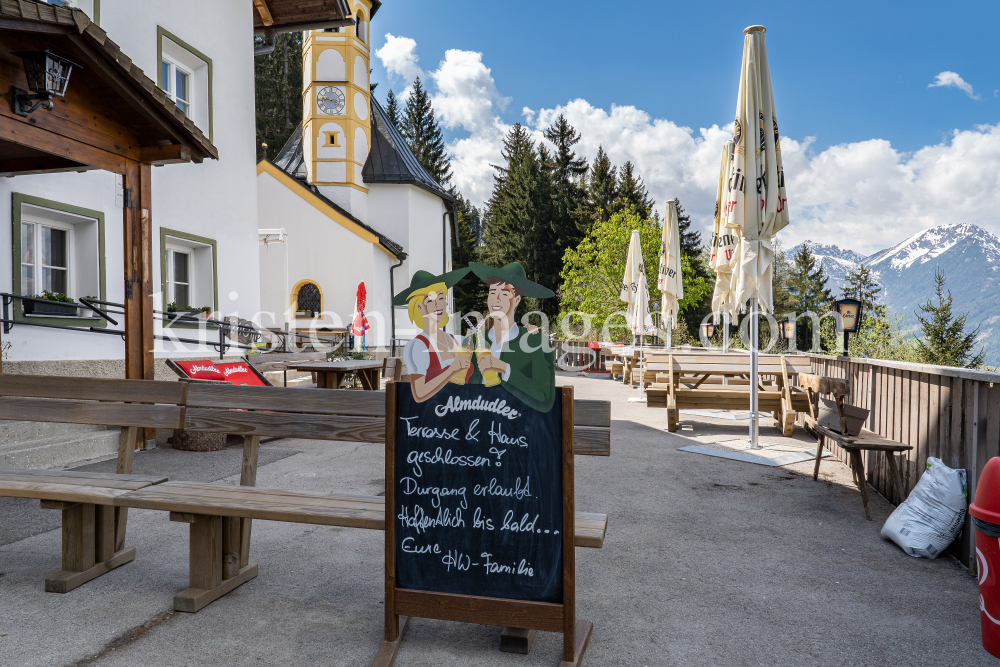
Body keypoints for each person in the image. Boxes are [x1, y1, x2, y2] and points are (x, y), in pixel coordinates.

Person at [465, 262, 556, 413]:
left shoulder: (536, 343)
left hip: (515, 433)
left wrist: (504, 368)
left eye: (505, 293)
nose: (496, 298)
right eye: (493, 292)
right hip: (474, 429)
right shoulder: (471, 342)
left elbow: (545, 400)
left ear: (517, 300)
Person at [394, 269, 471, 403]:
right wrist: (451, 370)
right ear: (419, 306)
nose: (438, 304)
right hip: (436, 417)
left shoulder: (457, 340)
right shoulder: (417, 346)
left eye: (441, 298)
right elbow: (418, 394)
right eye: (430, 300)